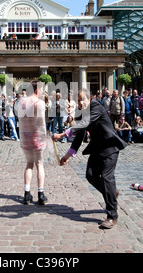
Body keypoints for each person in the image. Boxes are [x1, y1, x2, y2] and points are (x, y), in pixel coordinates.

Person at [52, 87, 128, 229]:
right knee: (91, 175)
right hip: (97, 148)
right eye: (78, 101)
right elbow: (80, 134)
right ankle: (112, 192)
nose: (81, 103)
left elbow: (85, 123)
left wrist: (63, 135)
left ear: (90, 98)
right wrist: (68, 155)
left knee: (106, 177)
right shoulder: (81, 112)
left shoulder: (96, 107)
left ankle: (112, 215)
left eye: (83, 99)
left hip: (110, 147)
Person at [17, 81, 48, 206]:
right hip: (37, 136)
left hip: (25, 136)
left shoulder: (21, 102)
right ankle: (40, 194)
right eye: (42, 89)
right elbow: (41, 122)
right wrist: (45, 136)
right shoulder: (39, 103)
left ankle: (27, 193)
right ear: (37, 89)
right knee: (39, 164)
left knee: (29, 164)